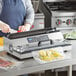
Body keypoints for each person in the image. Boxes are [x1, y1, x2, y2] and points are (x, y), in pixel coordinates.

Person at [0, 0, 34, 76]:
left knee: (22, 69)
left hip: (20, 40)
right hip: (2, 43)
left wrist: (27, 25)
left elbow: (30, 11)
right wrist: (1, 25)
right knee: (5, 69)